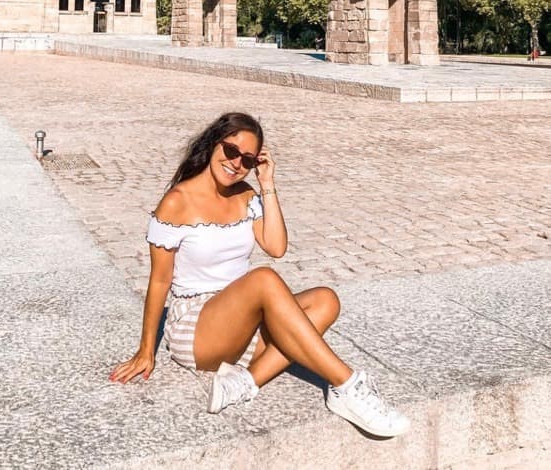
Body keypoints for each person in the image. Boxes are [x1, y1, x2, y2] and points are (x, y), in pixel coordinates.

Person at [110, 112, 410, 438]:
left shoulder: (247, 195)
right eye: (231, 150)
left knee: (325, 300)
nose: (236, 163)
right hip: (197, 328)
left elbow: (277, 246)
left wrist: (267, 184)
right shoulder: (176, 203)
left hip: (243, 320)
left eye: (248, 159)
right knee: (264, 279)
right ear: (213, 144)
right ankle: (346, 386)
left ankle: (245, 381)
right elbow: (159, 281)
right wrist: (145, 349)